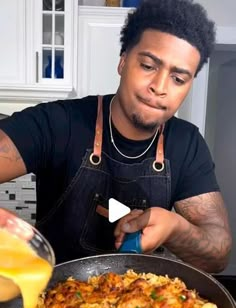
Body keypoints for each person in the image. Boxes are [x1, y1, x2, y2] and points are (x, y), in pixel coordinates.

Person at [0, 0, 232, 273]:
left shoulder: (187, 144)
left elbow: (218, 255)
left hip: (142, 304)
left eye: (178, 79)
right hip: (53, 302)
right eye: (148, 65)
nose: (159, 87)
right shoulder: (58, 123)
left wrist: (174, 228)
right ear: (123, 61)